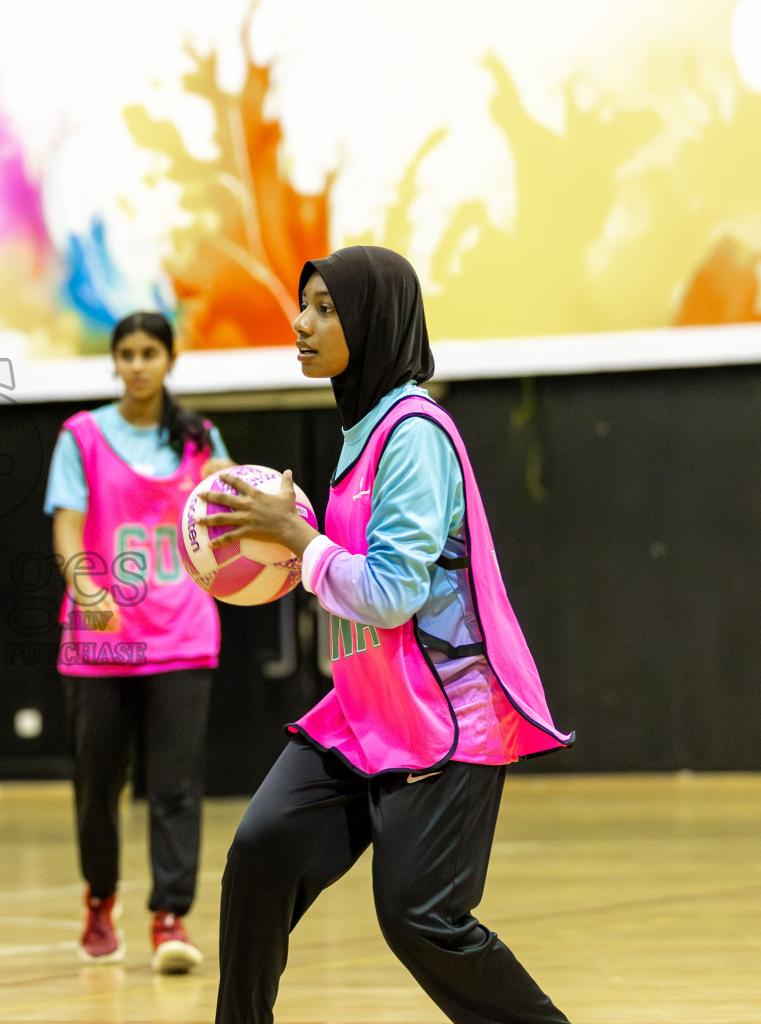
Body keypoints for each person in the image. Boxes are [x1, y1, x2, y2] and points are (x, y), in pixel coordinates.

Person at [202, 246, 573, 1023]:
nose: (301, 322)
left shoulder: (413, 435)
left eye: (326, 308)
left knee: (419, 917)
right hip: (364, 712)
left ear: (376, 321)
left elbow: (393, 593)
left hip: (448, 716)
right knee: (261, 854)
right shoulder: (361, 433)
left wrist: (298, 544)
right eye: (303, 304)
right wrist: (283, 539)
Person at [44, 312, 234, 974]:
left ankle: (170, 916)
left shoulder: (201, 438)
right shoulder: (83, 435)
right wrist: (85, 586)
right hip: (103, 640)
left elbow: (232, 515)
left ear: (170, 359)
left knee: (176, 786)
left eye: (149, 352)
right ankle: (100, 899)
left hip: (182, 634)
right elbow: (67, 530)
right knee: (98, 786)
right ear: (115, 362)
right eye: (125, 353)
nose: (136, 364)